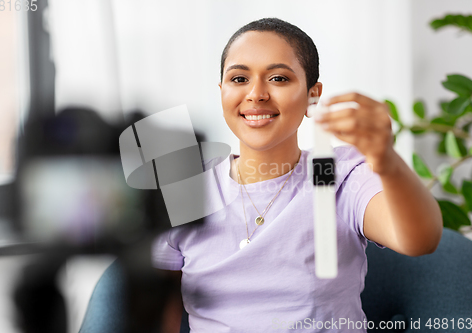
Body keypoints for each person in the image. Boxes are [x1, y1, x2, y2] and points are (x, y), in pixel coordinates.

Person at [151, 18, 443, 332]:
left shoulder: (335, 173)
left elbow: (418, 240)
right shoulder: (186, 190)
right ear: (222, 91)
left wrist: (386, 160)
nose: (256, 94)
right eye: (239, 79)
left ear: (312, 96)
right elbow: (157, 308)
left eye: (278, 78)